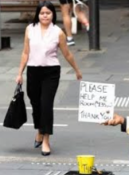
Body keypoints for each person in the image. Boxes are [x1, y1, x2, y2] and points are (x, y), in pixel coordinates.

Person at [15, 1, 82, 156]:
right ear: (38, 15)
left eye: (48, 13)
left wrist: (77, 70)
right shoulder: (30, 30)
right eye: (42, 13)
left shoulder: (58, 32)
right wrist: (19, 73)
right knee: (36, 104)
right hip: (33, 71)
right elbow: (25, 53)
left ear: (53, 14)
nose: (45, 16)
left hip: (51, 72)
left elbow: (67, 54)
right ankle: (39, 130)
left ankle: (46, 139)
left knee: (46, 105)